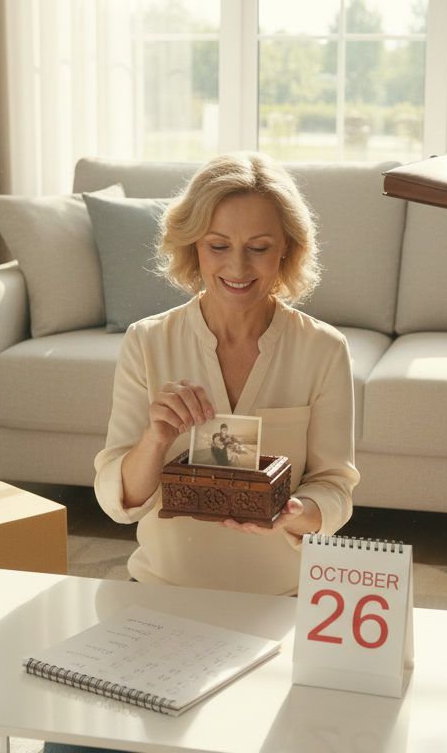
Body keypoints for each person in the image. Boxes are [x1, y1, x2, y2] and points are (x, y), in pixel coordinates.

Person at [92, 150, 359, 597]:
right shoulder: (146, 342)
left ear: (285, 249)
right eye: (218, 246)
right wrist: (156, 439)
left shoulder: (325, 350)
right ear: (193, 246)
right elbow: (120, 501)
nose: (237, 268)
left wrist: (294, 510)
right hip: (161, 588)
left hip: (280, 597)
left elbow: (335, 489)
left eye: (259, 248)